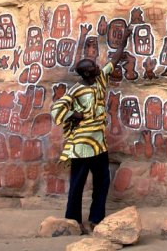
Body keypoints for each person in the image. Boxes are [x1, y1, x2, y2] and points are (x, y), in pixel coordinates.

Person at [51, 49, 122, 233]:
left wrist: (125, 38)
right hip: (82, 145)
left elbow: (113, 60)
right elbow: (57, 107)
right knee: (77, 184)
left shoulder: (99, 80)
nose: (98, 66)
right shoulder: (77, 90)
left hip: (99, 144)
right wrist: (74, 114)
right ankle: (73, 221)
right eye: (94, 66)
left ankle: (96, 219)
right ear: (87, 72)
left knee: (102, 181)